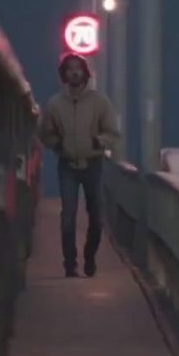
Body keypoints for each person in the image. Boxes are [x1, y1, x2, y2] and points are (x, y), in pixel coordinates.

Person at [38, 53, 121, 277]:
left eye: (78, 69)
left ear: (85, 73)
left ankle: (90, 256)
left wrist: (97, 141)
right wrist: (59, 144)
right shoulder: (55, 104)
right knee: (68, 217)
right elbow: (45, 133)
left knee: (96, 216)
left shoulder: (99, 101)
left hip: (93, 164)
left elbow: (113, 131)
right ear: (63, 74)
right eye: (69, 69)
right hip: (68, 166)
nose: (74, 72)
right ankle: (70, 264)